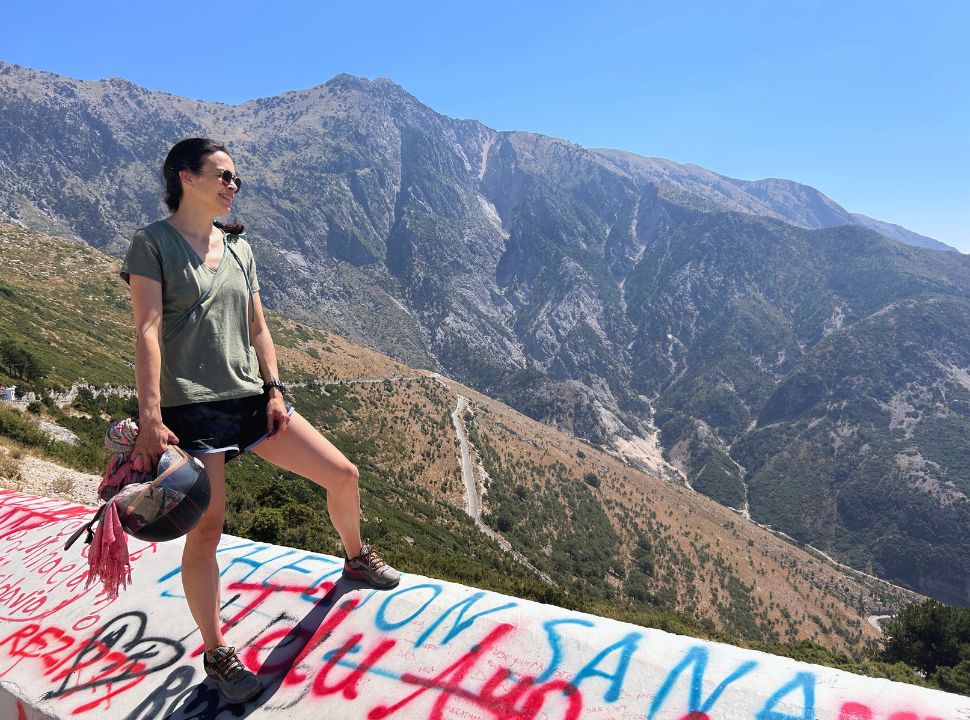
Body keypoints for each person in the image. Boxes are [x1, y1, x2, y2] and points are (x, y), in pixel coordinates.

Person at [122, 138, 400, 703]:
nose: (232, 185)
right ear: (186, 177)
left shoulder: (239, 248)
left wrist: (275, 389)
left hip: (252, 401)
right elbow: (147, 332)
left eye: (235, 180)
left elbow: (258, 329)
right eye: (222, 175)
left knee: (343, 473)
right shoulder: (152, 245)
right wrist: (150, 416)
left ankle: (355, 559)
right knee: (207, 531)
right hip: (191, 410)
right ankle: (218, 653)